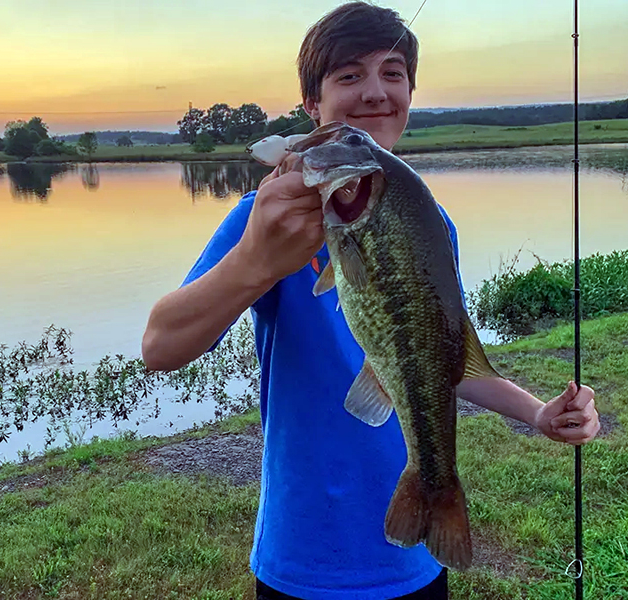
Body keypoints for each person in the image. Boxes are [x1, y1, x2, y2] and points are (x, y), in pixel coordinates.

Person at [142, 3, 601, 599]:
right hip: (300, 557)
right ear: (313, 105)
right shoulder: (264, 221)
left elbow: (443, 359)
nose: (375, 92)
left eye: (393, 73)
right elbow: (160, 347)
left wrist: (537, 414)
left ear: (410, 93)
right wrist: (256, 259)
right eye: (349, 75)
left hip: (412, 569)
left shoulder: (430, 222)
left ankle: (433, 488)